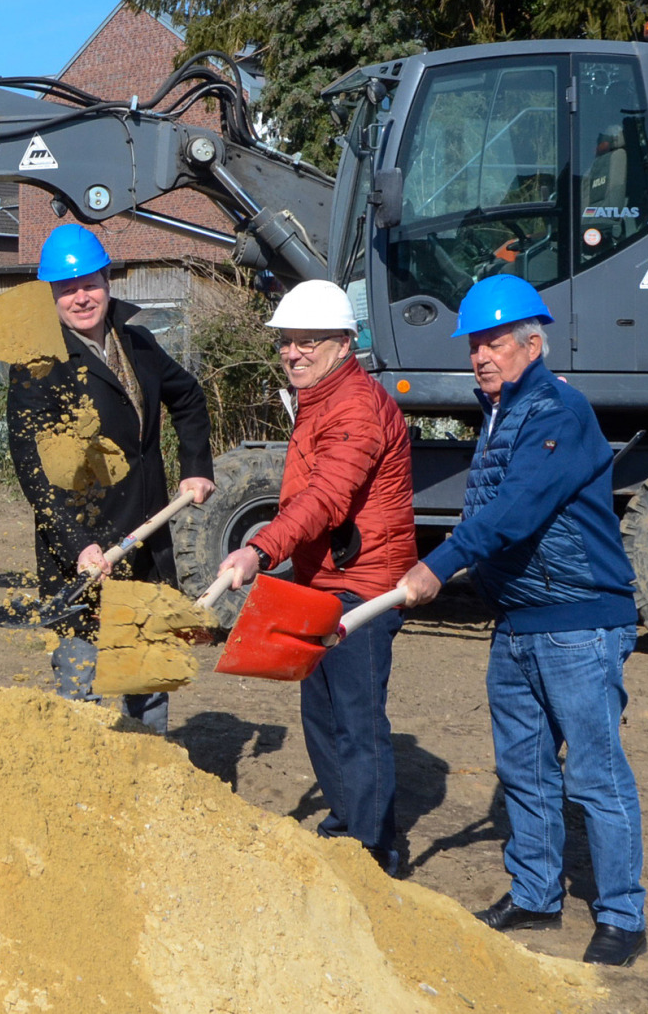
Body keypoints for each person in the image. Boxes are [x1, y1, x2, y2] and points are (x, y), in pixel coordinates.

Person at [393, 274, 647, 967]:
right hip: (519, 621)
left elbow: (515, 513)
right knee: (524, 769)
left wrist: (437, 565)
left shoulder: (559, 412)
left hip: (579, 620)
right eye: (475, 343)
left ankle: (623, 914)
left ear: (532, 343)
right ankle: (535, 893)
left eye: (495, 341)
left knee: (595, 773)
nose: (481, 354)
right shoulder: (502, 412)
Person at [216, 280, 415, 876]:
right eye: (286, 342)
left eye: (308, 342)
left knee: (356, 718)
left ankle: (377, 847)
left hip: (364, 585)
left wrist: (259, 549)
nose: (295, 353)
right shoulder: (319, 398)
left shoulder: (355, 406)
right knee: (322, 712)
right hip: (322, 579)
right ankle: (347, 818)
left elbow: (327, 497)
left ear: (343, 343)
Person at [5, 225, 214, 733]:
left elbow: (187, 398)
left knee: (147, 687)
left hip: (146, 543)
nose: (81, 297)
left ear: (106, 279)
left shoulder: (138, 343)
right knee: (82, 693)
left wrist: (195, 469)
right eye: (67, 288)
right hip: (82, 556)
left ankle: (150, 788)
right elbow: (34, 471)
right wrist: (79, 545)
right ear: (51, 295)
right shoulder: (37, 366)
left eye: (89, 283)